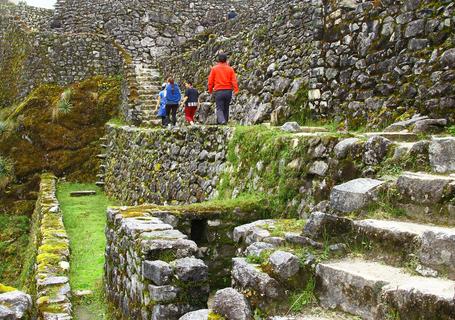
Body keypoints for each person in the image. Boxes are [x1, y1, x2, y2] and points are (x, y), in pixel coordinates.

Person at [207, 53, 239, 125]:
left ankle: (222, 121)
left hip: (219, 91)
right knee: (226, 107)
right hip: (228, 91)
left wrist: (210, 90)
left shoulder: (214, 69)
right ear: (226, 60)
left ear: (218, 60)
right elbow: (234, 80)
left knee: (219, 108)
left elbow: (210, 81)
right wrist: (236, 90)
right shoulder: (230, 69)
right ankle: (225, 121)